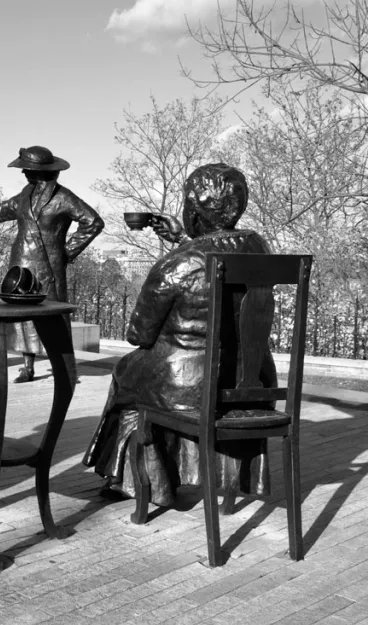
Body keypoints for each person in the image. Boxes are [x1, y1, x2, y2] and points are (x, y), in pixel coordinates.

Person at [82, 163, 274, 507]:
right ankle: (220, 477)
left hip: (191, 387)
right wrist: (186, 239)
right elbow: (219, 257)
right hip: (254, 382)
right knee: (151, 373)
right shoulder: (260, 248)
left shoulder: (178, 264)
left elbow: (138, 334)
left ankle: (147, 485)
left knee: (128, 373)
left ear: (192, 205)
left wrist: (182, 248)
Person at [0, 145, 103, 381]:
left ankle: (64, 367)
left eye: (26, 169)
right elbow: (2, 209)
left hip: (48, 264)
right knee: (22, 314)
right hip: (22, 263)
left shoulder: (63, 197)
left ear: (39, 171)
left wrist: (67, 251)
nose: (23, 173)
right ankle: (28, 366)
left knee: (54, 315)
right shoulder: (26, 193)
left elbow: (93, 222)